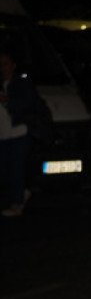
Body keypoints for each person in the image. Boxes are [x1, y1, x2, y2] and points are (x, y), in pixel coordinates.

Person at [0, 42, 50, 218]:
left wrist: (8, 101)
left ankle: (17, 204)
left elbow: (28, 104)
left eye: (5, 63)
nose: (3, 67)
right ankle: (21, 193)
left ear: (13, 65)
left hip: (19, 132)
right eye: (0, 64)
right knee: (5, 170)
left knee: (16, 168)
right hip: (3, 134)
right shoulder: (1, 84)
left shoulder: (21, 83)